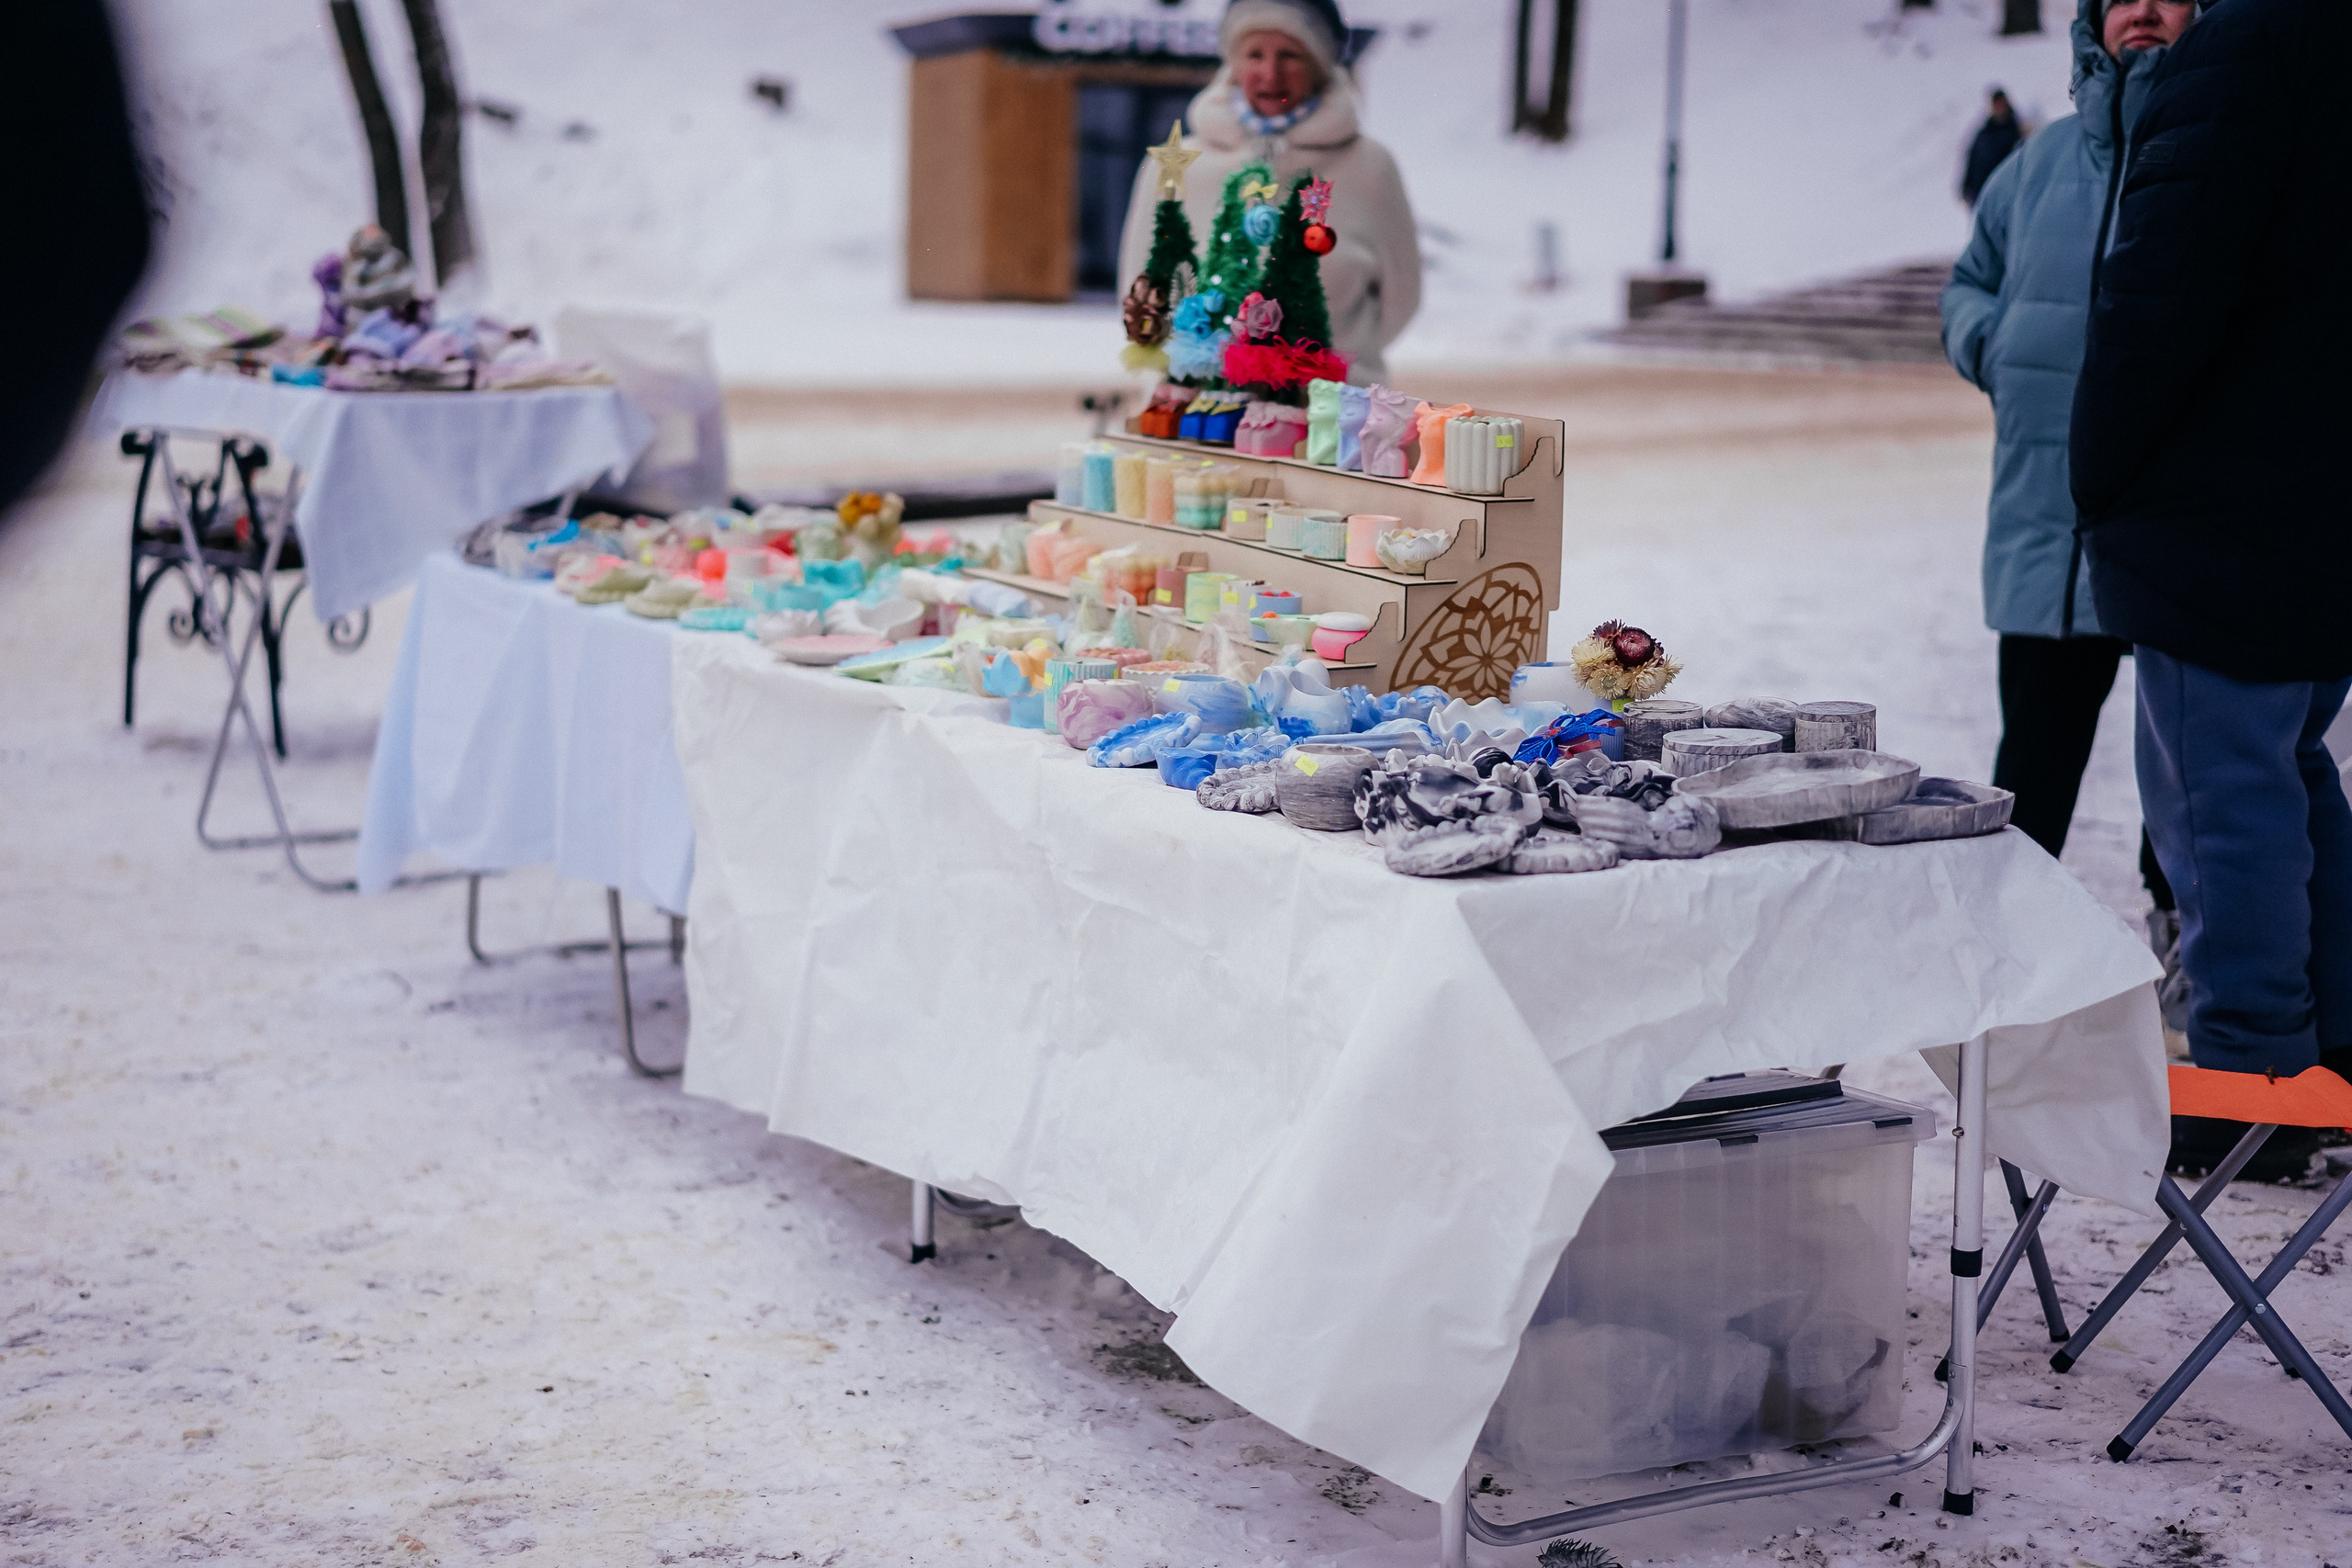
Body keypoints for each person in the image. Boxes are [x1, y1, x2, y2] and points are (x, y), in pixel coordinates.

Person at [2071, 0, 2352, 1178]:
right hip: (2312, 500)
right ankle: (2325, 1052)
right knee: (2290, 773)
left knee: (2217, 796)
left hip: (2222, 507)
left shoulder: (2240, 49)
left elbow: (2159, 296)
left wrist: (2102, 467)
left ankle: (2252, 1079)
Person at [1939, 0, 2190, 987]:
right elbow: (1969, 281)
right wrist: (1989, 344)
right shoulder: (2036, 165)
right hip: (2047, 529)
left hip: (2182, 534)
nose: (2143, 9)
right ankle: (2011, 964)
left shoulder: (2240, 153)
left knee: (2187, 777)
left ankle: (2185, 952)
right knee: (2034, 767)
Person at [1114, 0, 1420, 383]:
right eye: (1254, 54)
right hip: (1191, 414)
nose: (1270, 73)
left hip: (1331, 414)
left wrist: (1332, 356)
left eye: (1290, 55)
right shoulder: (1177, 165)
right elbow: (1140, 289)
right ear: (1232, 63)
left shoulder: (1370, 167)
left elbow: (1401, 299)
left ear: (1321, 66)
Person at [1960, 88, 2024, 207]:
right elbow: (1972, 159)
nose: (1999, 107)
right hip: (1981, 196)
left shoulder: (2018, 132)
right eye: (1996, 104)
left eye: (2001, 103)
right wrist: (1966, 186)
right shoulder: (1984, 134)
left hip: (2008, 197)